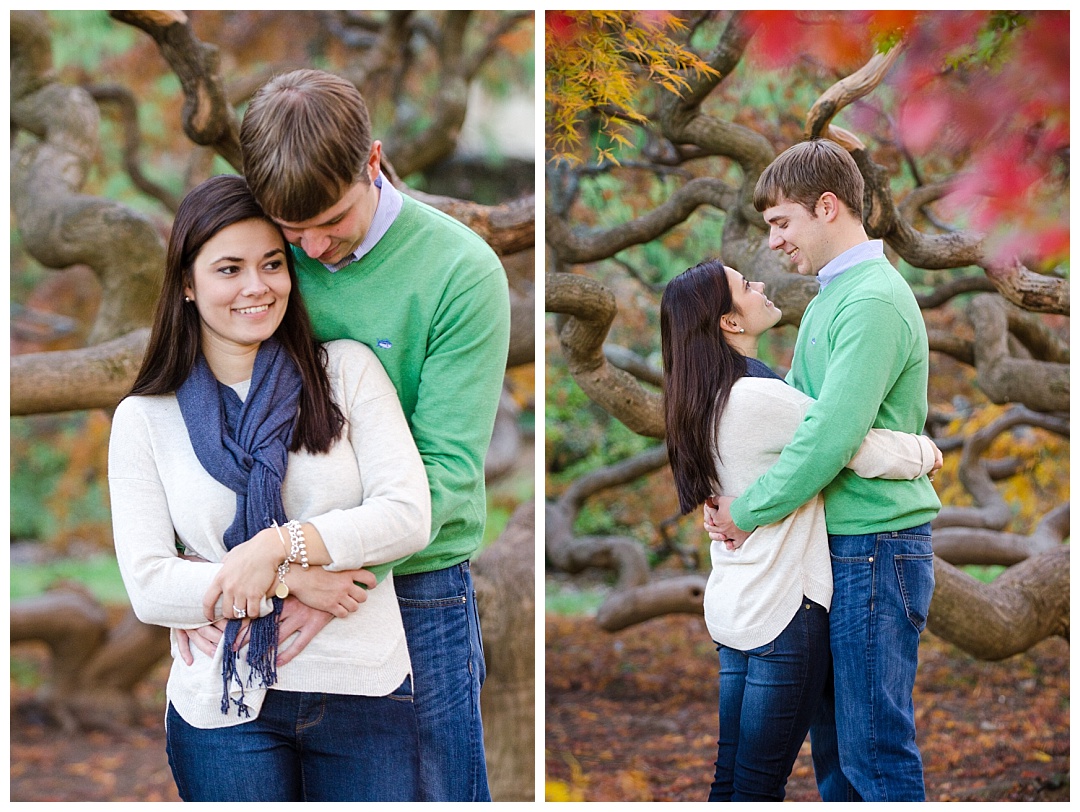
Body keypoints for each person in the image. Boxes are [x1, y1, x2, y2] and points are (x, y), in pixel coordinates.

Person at [108, 174, 432, 801]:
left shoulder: (346, 372)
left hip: (361, 688)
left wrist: (270, 550)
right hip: (221, 709)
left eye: (272, 264)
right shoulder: (146, 419)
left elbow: (406, 515)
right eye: (229, 269)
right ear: (187, 283)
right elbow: (149, 586)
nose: (256, 286)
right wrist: (291, 579)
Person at [236, 68, 510, 802]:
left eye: (332, 220)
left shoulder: (459, 272)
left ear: (374, 161)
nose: (314, 248)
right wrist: (275, 577)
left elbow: (445, 473)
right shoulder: (259, 255)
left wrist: (325, 576)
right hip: (273, 580)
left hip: (413, 586)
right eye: (294, 231)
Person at [704, 138, 942, 802]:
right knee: (837, 758)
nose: (775, 242)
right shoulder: (836, 298)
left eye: (782, 222)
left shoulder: (871, 300)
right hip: (838, 552)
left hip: (874, 547)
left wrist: (746, 512)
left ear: (828, 207)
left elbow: (827, 437)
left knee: (873, 753)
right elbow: (798, 424)